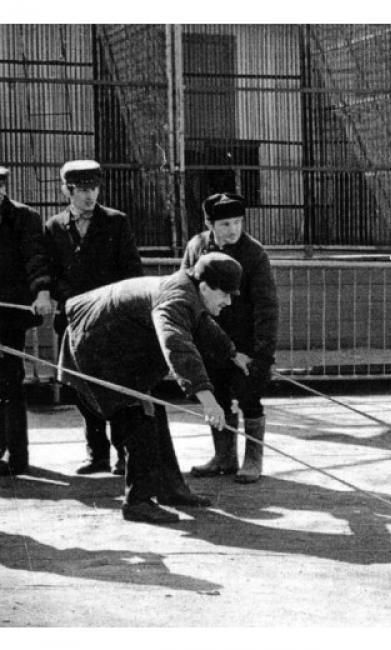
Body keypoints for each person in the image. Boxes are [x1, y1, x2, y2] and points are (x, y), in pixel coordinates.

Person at [58, 253, 251, 523]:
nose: (229, 301)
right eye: (226, 294)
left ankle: (169, 489)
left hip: (113, 344)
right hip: (95, 346)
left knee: (153, 410)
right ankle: (137, 501)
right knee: (139, 416)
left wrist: (231, 353)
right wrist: (207, 399)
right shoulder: (176, 299)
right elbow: (178, 345)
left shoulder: (189, 290)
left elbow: (201, 324)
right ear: (205, 287)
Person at [44, 160, 144, 476]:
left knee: (115, 389)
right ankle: (96, 455)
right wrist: (64, 296)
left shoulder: (116, 222)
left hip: (110, 322)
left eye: (94, 189)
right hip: (73, 322)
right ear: (67, 190)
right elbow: (50, 271)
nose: (90, 197)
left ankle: (124, 456)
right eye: (83, 190)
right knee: (81, 389)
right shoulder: (54, 226)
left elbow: (131, 271)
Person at [182, 193, 278, 484]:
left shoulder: (254, 253)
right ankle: (223, 457)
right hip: (208, 339)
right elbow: (186, 290)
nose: (233, 230)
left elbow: (267, 307)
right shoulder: (196, 247)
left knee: (250, 397)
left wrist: (262, 354)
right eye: (225, 224)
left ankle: (252, 460)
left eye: (237, 222)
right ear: (209, 223)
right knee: (217, 396)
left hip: (245, 342)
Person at [0, 166, 54, 475]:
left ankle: (18, 456)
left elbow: (36, 258)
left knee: (10, 382)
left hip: (8, 316)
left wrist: (42, 293)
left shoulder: (24, 218)